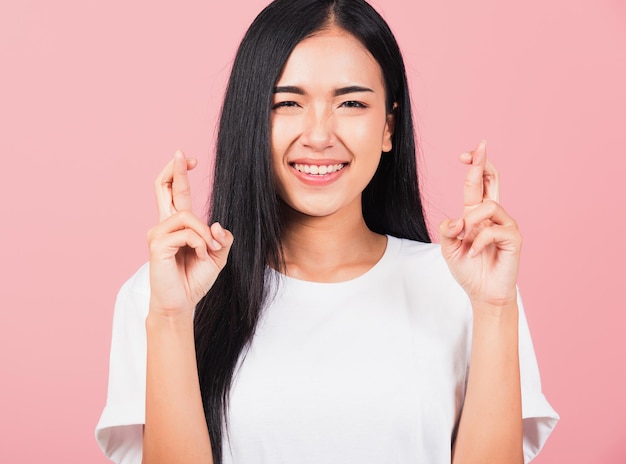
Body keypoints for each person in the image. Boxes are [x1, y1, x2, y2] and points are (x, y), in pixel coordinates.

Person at [96, 0, 558, 463]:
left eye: (351, 102)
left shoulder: (469, 288)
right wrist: (172, 318)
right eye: (288, 103)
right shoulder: (163, 294)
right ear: (252, 120)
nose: (319, 135)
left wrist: (495, 309)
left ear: (388, 127)